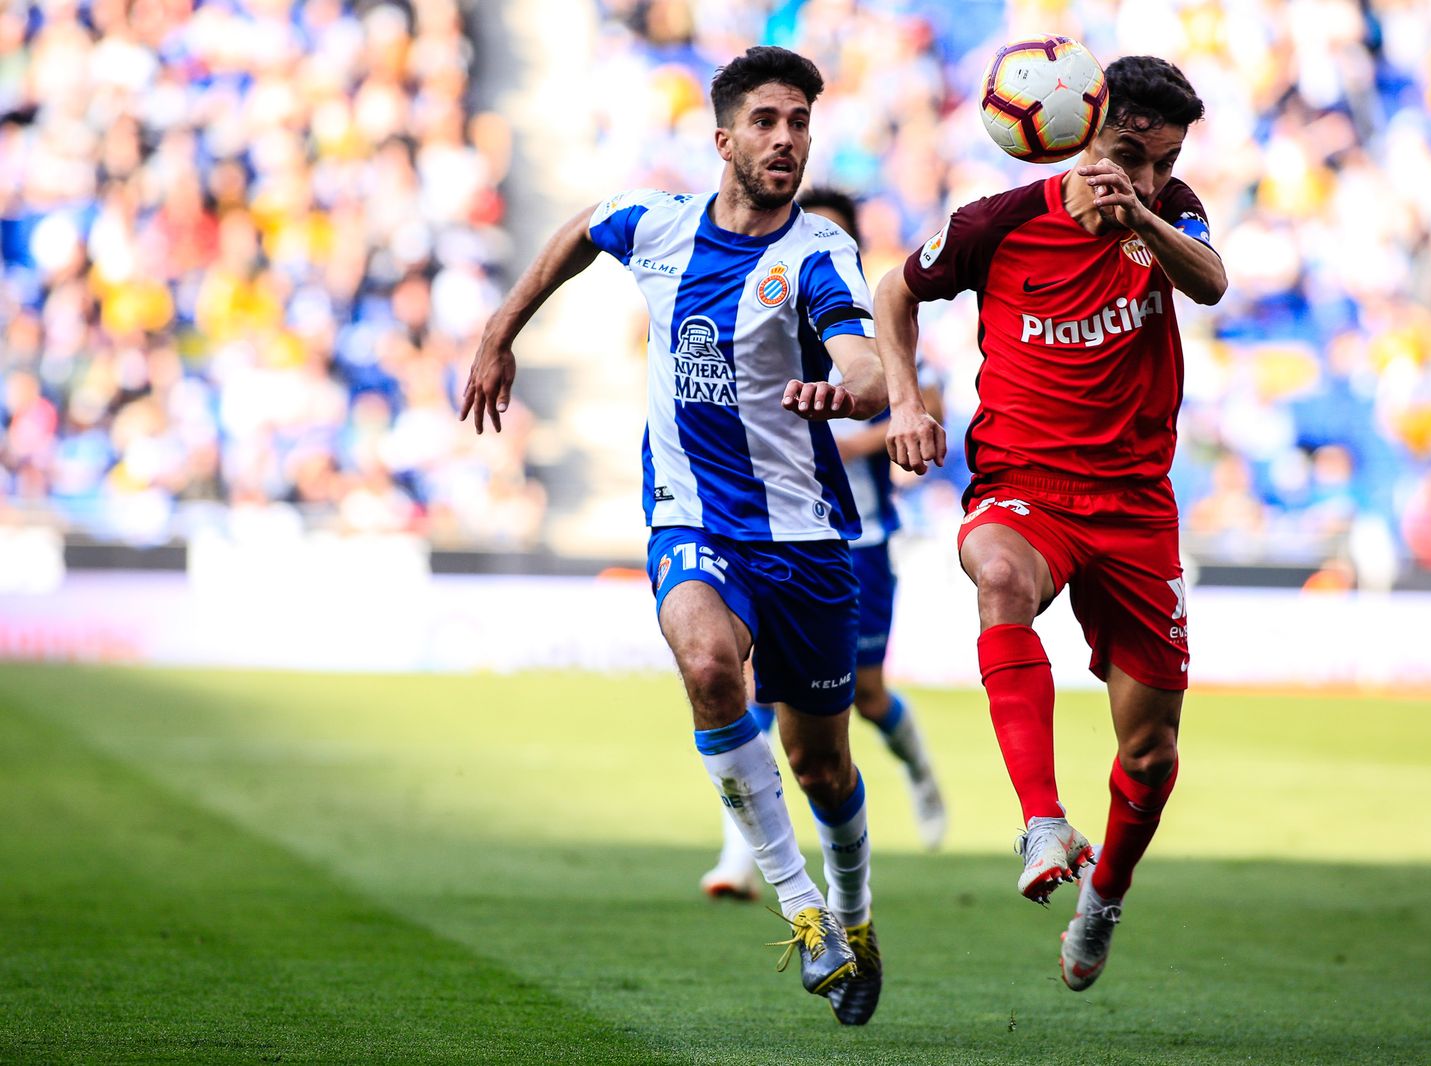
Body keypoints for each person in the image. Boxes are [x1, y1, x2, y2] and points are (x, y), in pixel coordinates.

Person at [459, 46, 888, 1024]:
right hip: (694, 519)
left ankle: (857, 913)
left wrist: (847, 389)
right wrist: (501, 327)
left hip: (807, 543)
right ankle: (803, 909)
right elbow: (580, 228)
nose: (787, 139)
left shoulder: (815, 251)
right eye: (769, 122)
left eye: (800, 123)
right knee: (704, 664)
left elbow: (864, 364)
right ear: (725, 138)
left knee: (821, 763)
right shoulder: (657, 225)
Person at [873, 55, 1226, 991]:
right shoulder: (997, 223)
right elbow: (893, 290)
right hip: (1025, 483)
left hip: (1135, 506)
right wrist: (904, 400)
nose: (1147, 175)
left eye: (1165, 160)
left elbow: (1213, 284)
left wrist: (1144, 214)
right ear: (1080, 129)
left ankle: (1105, 895)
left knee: (1149, 754)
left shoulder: (1168, 210)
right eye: (1130, 155)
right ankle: (1040, 818)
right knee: (997, 577)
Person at [700, 189, 948, 904]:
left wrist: (854, 414)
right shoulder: (756, 316)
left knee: (865, 699)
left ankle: (920, 771)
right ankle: (739, 858)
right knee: (744, 691)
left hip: (858, 540)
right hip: (767, 532)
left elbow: (920, 416)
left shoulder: (876, 331)